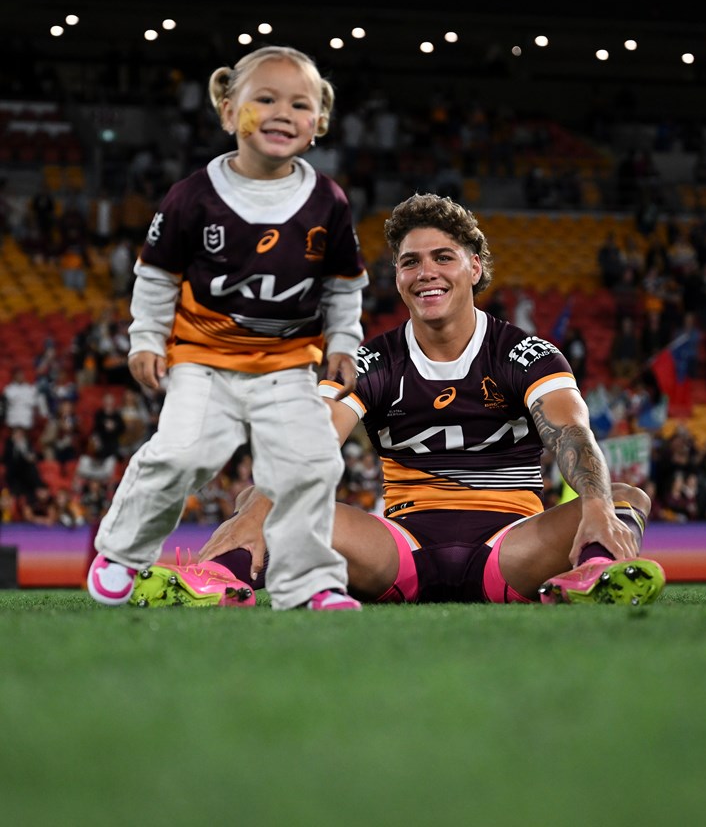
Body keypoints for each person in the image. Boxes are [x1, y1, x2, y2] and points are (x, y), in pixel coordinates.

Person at [136, 193, 665, 609]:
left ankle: (595, 572)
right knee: (261, 494)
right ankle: (221, 579)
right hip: (398, 551)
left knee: (621, 497)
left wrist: (594, 509)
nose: (426, 272)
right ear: (398, 276)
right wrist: (255, 512)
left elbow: (571, 434)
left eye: (443, 257)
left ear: (475, 267)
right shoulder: (369, 361)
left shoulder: (526, 353)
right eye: (411, 262)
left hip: (512, 549)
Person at [86, 45, 369, 612]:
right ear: (226, 110)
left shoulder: (328, 202)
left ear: (319, 122)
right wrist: (146, 338)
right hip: (205, 360)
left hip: (288, 367)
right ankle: (121, 550)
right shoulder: (193, 196)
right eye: (264, 99)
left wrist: (343, 341)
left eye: (299, 104)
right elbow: (157, 276)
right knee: (181, 455)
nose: (282, 112)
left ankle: (308, 583)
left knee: (311, 465)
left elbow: (343, 284)